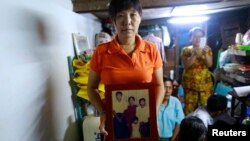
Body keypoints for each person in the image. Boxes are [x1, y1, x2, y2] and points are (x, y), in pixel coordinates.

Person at [87, 0, 165, 136]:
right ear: (113, 21)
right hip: (113, 120)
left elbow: (159, 85)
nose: (127, 21)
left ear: (140, 18)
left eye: (133, 15)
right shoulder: (101, 52)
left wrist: (153, 114)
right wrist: (104, 113)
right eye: (120, 16)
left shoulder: (151, 49)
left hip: (143, 118)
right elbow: (91, 88)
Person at [181, 27, 213, 115]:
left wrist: (206, 54)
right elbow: (186, 65)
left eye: (200, 37)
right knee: (189, 109)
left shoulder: (207, 49)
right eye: (195, 36)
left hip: (205, 85)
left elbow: (210, 64)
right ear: (190, 38)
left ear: (203, 38)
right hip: (190, 85)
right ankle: (189, 126)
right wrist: (194, 54)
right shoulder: (186, 50)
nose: (197, 39)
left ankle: (204, 126)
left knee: (206, 108)